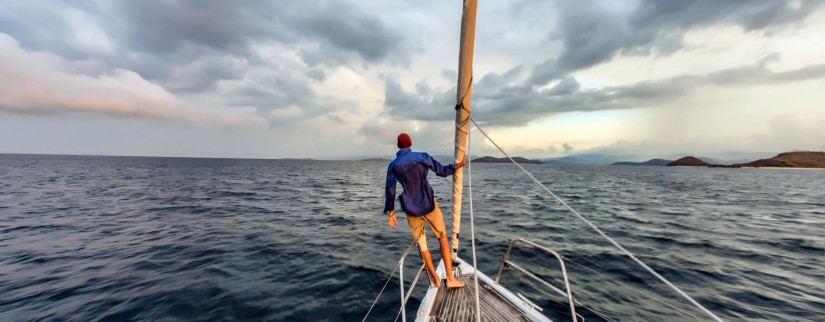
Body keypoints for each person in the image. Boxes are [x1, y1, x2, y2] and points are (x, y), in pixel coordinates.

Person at [384, 133, 466, 289]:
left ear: (398, 146)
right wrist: (458, 165)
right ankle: (450, 279)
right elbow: (441, 171)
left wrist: (391, 213)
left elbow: (390, 190)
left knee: (423, 246)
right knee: (442, 237)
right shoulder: (421, 156)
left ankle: (435, 278)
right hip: (429, 204)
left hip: (411, 210)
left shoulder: (393, 165)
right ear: (410, 143)